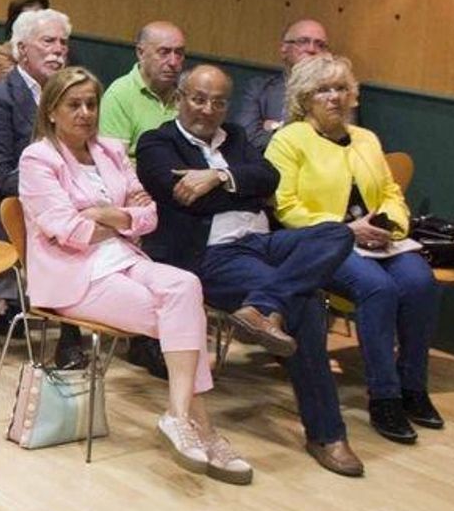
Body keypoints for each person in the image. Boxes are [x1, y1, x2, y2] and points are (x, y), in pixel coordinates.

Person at [19, 67, 249, 484]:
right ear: (52, 111)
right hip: (74, 277)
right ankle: (202, 427)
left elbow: (149, 216)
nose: (85, 113)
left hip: (121, 258)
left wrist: (107, 215)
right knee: (182, 317)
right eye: (74, 105)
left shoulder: (110, 150)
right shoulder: (38, 158)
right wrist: (122, 219)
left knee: (186, 286)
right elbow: (68, 230)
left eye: (91, 104)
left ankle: (178, 415)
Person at [137, 65, 362, 476]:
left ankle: (264, 305)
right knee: (307, 305)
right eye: (198, 99)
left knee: (337, 234)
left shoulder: (237, 137)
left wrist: (216, 176)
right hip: (213, 255)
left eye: (218, 102)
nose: (208, 109)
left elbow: (270, 178)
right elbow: (187, 199)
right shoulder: (157, 143)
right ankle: (327, 435)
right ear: (180, 99)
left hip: (265, 244)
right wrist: (241, 187)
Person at [266, 54, 442, 444]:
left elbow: (391, 191)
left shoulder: (366, 139)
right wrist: (346, 229)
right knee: (378, 288)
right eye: (323, 90)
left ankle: (413, 386)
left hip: (380, 240)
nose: (335, 97)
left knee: (421, 283)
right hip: (322, 242)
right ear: (304, 97)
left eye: (342, 88)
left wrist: (391, 225)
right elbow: (286, 208)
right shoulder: (289, 140)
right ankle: (384, 396)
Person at [0, 8, 75, 338]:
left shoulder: (73, 99)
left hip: (68, 203)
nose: (57, 50)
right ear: (21, 49)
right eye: (48, 41)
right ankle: (69, 331)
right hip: (18, 204)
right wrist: (57, 189)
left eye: (63, 43)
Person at [234, 19, 332, 151]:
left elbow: (337, 144)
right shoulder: (259, 88)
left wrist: (274, 128)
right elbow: (248, 139)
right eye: (303, 41)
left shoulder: (337, 93)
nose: (311, 49)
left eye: (320, 45)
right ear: (284, 49)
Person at [100, 21, 187, 161]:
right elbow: (114, 163)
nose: (173, 62)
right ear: (141, 53)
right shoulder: (119, 94)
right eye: (164, 52)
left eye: (179, 53)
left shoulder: (188, 96)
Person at [0, 0, 50, 84]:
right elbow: (18, 87)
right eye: (29, 19)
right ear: (15, 23)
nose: (36, 24)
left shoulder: (55, 51)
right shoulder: (2, 54)